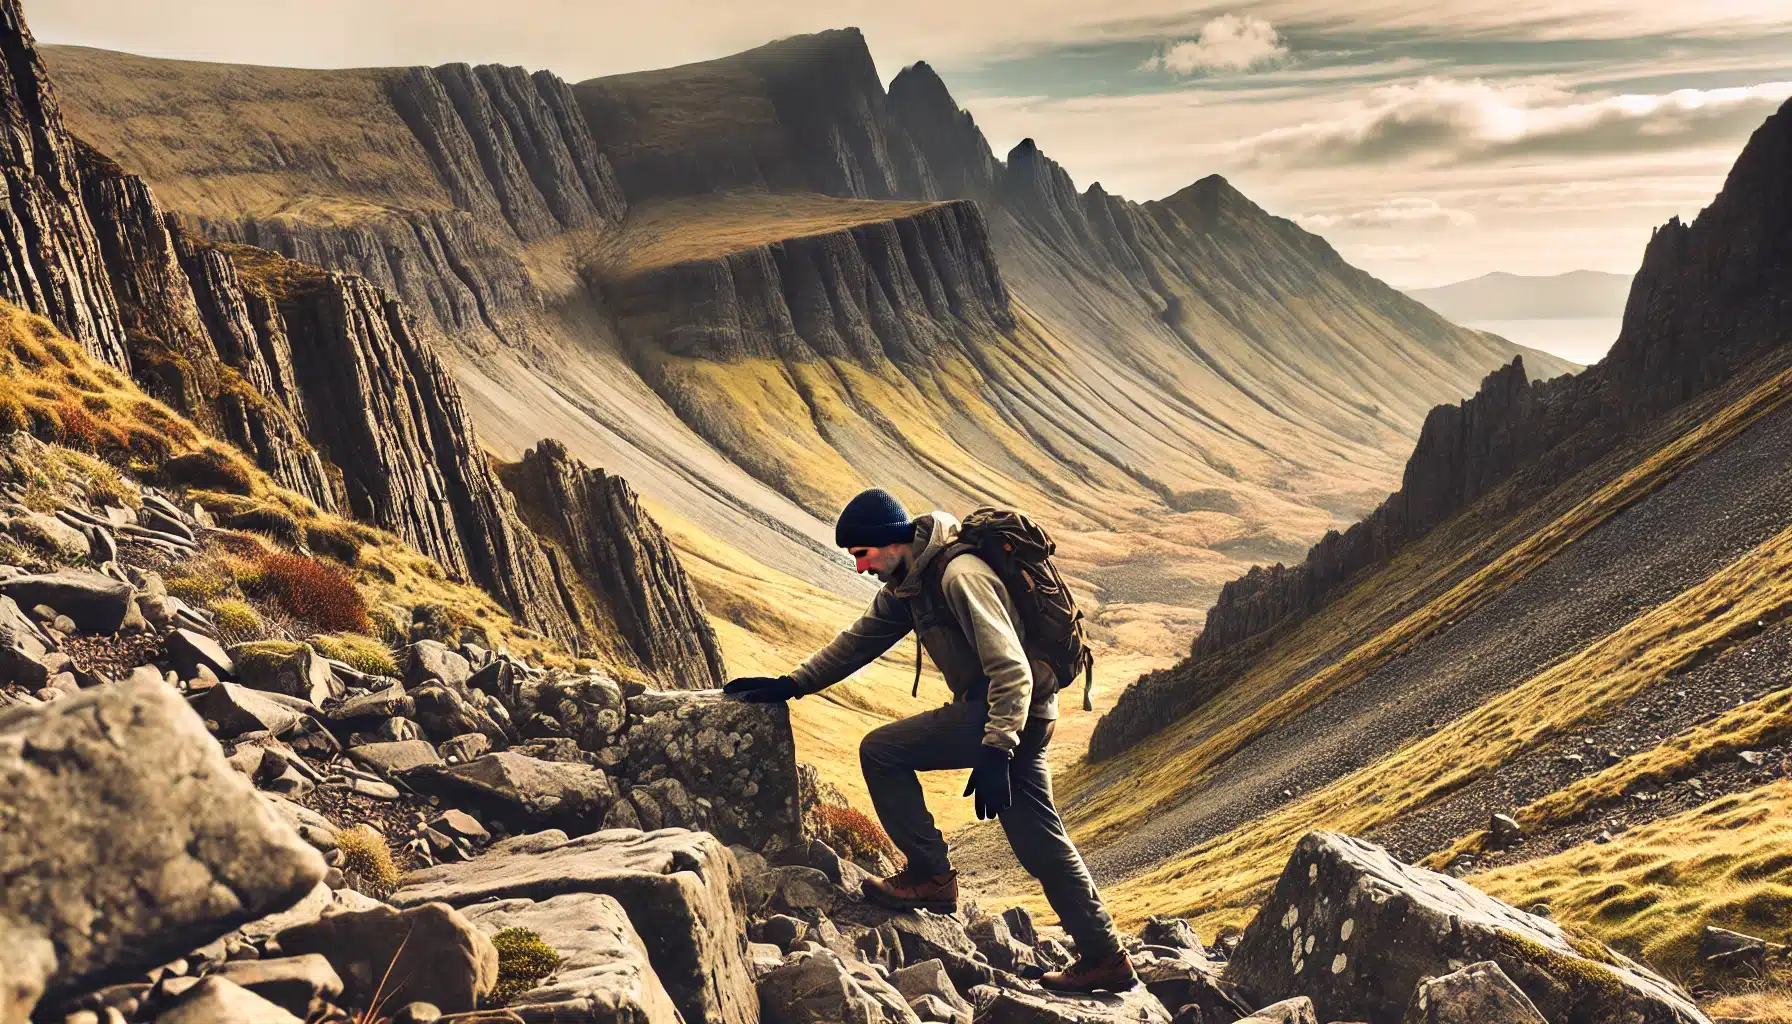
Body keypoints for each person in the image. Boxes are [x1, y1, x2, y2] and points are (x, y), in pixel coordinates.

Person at [724, 487, 1136, 993]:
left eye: (861, 554)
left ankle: (930, 875)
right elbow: (859, 639)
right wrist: (793, 684)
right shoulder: (912, 583)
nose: (860, 568)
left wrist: (995, 748)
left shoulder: (958, 577)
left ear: (888, 541)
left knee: (882, 750)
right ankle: (1106, 958)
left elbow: (1013, 671)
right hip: (1020, 717)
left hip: (1008, 713)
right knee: (1042, 846)